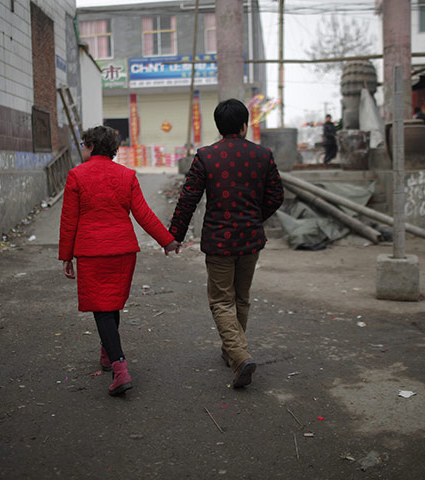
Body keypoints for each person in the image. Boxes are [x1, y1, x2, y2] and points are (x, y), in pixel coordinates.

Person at [168, 99, 284, 389]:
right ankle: (231, 350)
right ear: (244, 125)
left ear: (219, 127)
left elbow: (188, 199)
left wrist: (175, 236)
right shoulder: (263, 155)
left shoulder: (206, 156)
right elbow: (276, 196)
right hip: (250, 241)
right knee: (241, 298)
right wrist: (256, 217)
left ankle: (239, 354)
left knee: (221, 300)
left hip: (219, 241)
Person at [59, 125, 181, 396]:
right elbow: (144, 214)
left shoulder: (76, 175)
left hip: (91, 252)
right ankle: (107, 352)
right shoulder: (126, 175)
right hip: (123, 251)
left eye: (84, 145)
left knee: (102, 308)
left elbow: (69, 220)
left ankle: (120, 368)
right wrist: (167, 240)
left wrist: (66, 256)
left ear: (90, 146)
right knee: (110, 302)